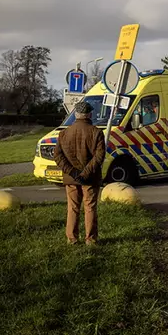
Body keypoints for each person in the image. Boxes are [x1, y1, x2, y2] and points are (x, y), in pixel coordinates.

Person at [53, 101, 107, 245]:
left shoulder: (64, 133)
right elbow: (99, 157)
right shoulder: (96, 132)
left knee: (73, 207)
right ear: (89, 114)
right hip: (90, 178)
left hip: (71, 178)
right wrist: (85, 174)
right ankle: (90, 239)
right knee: (89, 207)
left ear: (76, 115)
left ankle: (72, 238)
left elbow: (58, 156)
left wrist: (73, 172)